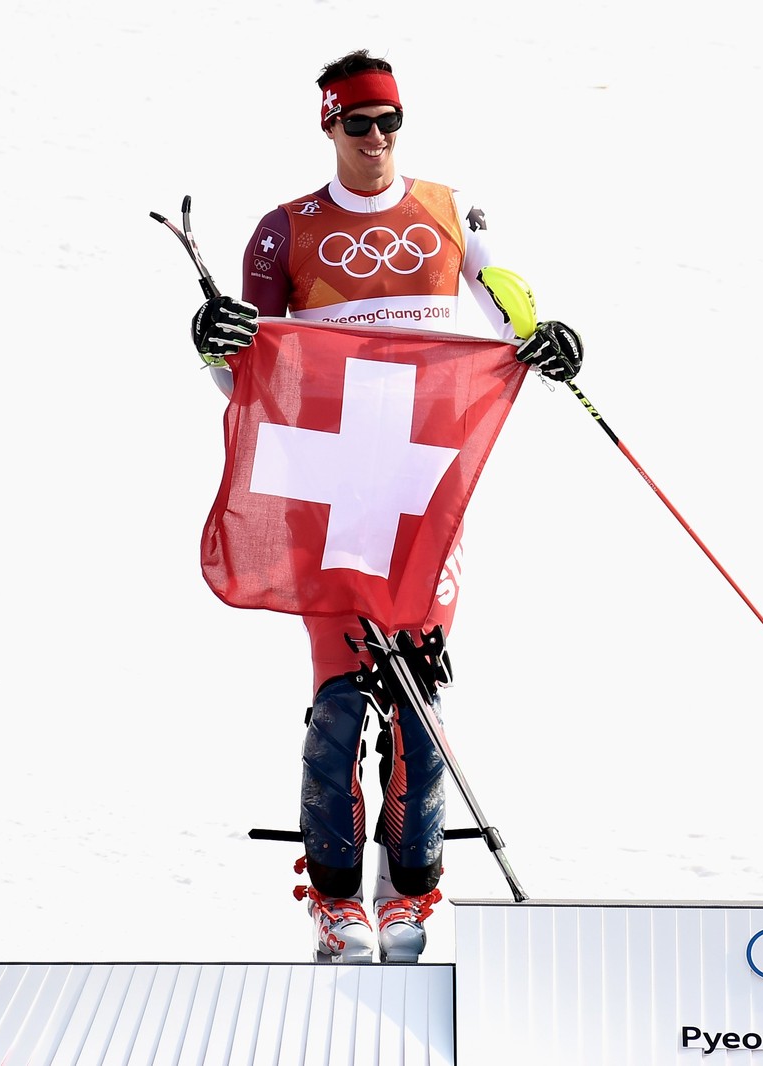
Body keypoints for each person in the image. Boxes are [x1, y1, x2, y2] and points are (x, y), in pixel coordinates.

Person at [187, 49, 584, 964]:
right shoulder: (283, 232)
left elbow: (513, 316)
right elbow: (245, 375)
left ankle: (409, 893)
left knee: (417, 697)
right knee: (337, 706)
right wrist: (210, 341)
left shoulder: (448, 214)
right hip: (323, 489)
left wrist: (553, 342)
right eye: (358, 123)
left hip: (419, 491)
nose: (377, 139)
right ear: (328, 126)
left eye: (390, 122)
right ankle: (334, 905)